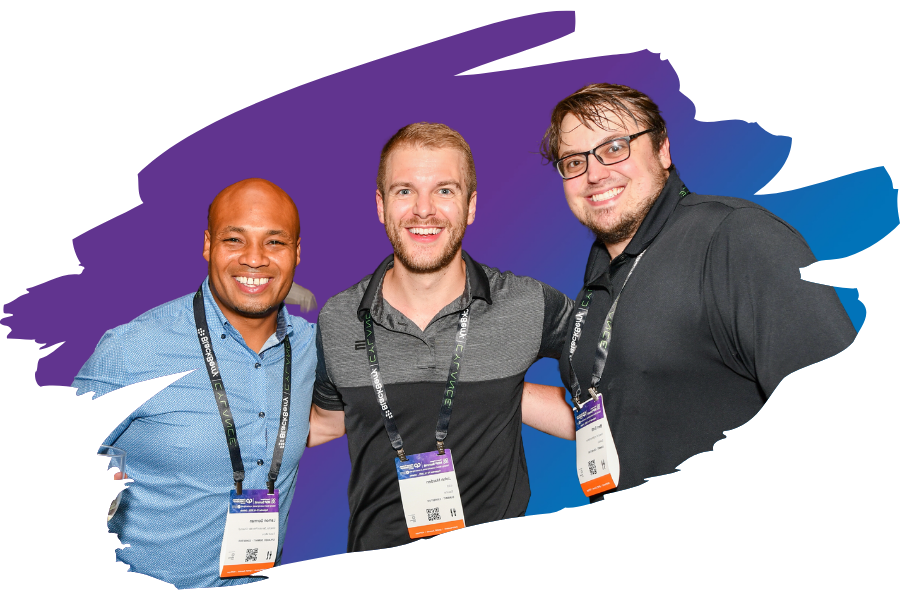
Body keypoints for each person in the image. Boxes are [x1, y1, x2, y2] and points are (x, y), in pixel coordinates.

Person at [540, 83, 857, 501]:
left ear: (663, 150)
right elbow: (609, 405)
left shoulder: (737, 238)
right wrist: (487, 393)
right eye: (574, 161)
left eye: (614, 148)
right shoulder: (601, 276)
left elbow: (836, 412)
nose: (595, 173)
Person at [308, 122, 575, 552]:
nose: (424, 210)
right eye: (405, 191)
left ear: (471, 206)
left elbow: (615, 381)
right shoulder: (338, 319)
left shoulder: (528, 303)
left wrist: (511, 394)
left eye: (445, 191)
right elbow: (326, 421)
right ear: (381, 205)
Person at [73, 178, 317, 588]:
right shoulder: (133, 350)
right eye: (234, 240)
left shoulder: (312, 347)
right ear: (208, 245)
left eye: (274, 242)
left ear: (297, 252)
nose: (254, 259)